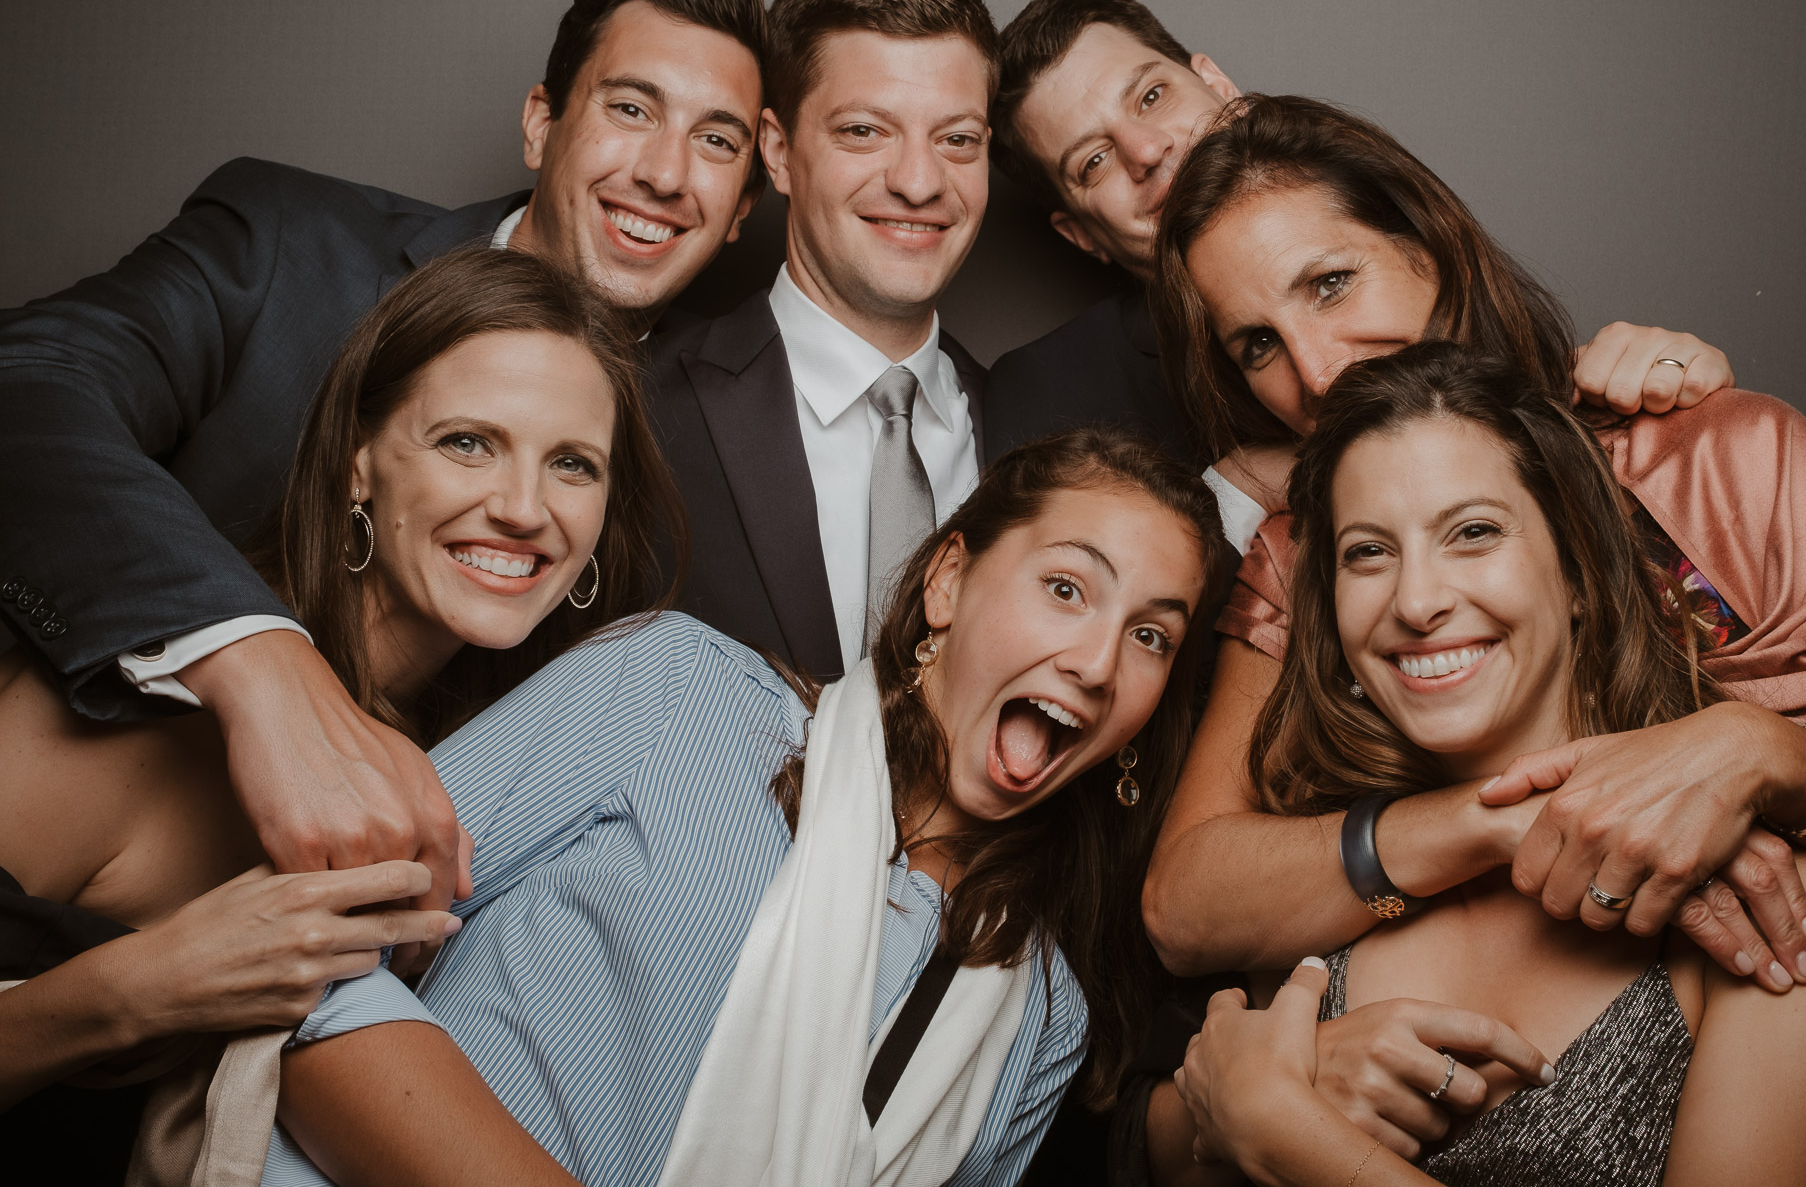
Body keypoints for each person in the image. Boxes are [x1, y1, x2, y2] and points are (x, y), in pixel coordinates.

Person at [1139, 94, 1806, 1158]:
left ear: (1430, 242)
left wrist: (1760, 752)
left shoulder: (1716, 458)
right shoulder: (1304, 546)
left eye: (1331, 283)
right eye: (1255, 345)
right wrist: (1515, 814)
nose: (1318, 370)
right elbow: (1185, 902)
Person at [204, 428, 1234, 1187]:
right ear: (949, 583)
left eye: (1150, 635)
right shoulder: (677, 690)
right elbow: (308, 954)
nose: (1097, 661)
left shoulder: (1040, 1007)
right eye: (1066, 588)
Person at [0, 0, 769, 927]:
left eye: (716, 140)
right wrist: (256, 661)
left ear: (746, 202)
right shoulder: (288, 246)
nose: (663, 173)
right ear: (542, 123)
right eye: (630, 108)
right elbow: (30, 379)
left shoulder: (684, 475)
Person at [0, 246, 687, 1179]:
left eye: (572, 464)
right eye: (468, 443)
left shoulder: (511, 769)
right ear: (358, 465)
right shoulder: (148, 715)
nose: (525, 508)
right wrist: (148, 987)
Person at [1158, 343, 1806, 1185]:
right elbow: (1161, 1136)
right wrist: (1215, 1113)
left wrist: (1292, 1136)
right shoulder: (1303, 889)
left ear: (1577, 570)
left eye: (1473, 533)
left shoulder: (1775, 914)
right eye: (1368, 552)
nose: (1418, 601)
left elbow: (1262, 1126)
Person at [982, 0, 1730, 468]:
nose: (1148, 153)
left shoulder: (1375, 209)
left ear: (1214, 82)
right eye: (1092, 162)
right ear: (1078, 234)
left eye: (1150, 97)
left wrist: (1665, 384)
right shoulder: (1051, 390)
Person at [651, 0, 999, 680]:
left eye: (957, 140)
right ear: (777, 153)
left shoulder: (1030, 422)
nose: (918, 181)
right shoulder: (641, 407)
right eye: (864, 132)